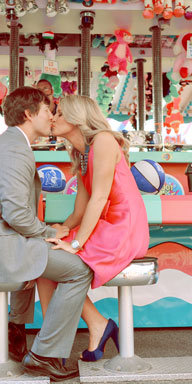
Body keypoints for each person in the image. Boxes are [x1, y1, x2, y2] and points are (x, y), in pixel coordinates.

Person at [0, 86, 93, 381]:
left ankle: (18, 331)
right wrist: (52, 232)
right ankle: (43, 355)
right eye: (47, 110)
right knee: (78, 269)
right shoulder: (14, 149)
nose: (51, 116)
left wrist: (47, 234)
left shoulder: (8, 143)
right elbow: (17, 215)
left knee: (44, 251)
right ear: (28, 114)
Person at [38, 95, 150, 362]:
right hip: (105, 225)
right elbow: (81, 209)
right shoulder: (82, 151)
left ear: (78, 119)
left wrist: (74, 245)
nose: (53, 118)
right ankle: (76, 331)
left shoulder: (102, 141)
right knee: (42, 263)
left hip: (123, 228)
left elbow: (100, 199)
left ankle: (63, 341)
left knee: (52, 260)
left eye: (61, 113)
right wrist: (62, 230)